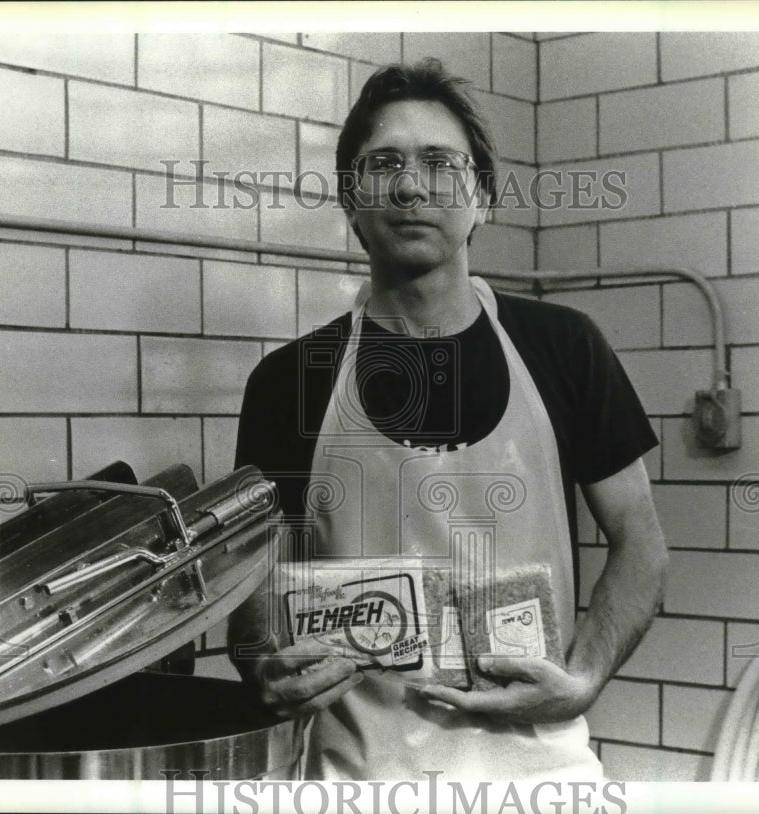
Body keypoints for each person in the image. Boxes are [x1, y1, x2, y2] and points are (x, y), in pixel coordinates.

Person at [229, 58, 668, 781]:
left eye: (439, 162)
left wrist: (585, 678)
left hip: (541, 778)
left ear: (483, 198)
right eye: (384, 164)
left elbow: (641, 543)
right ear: (351, 199)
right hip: (354, 779)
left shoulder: (563, 347)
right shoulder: (287, 382)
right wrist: (261, 666)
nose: (410, 185)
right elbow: (249, 590)